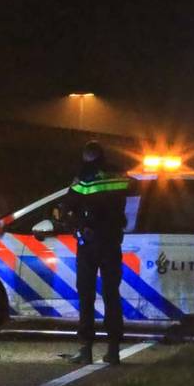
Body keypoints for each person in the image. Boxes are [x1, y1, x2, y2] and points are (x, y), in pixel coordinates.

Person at [61, 140, 132, 365]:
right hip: (112, 242)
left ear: (86, 157)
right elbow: (135, 194)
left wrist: (75, 226)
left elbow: (66, 207)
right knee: (112, 294)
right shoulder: (120, 177)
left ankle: (86, 349)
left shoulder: (84, 178)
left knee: (86, 295)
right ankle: (114, 350)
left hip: (90, 244)